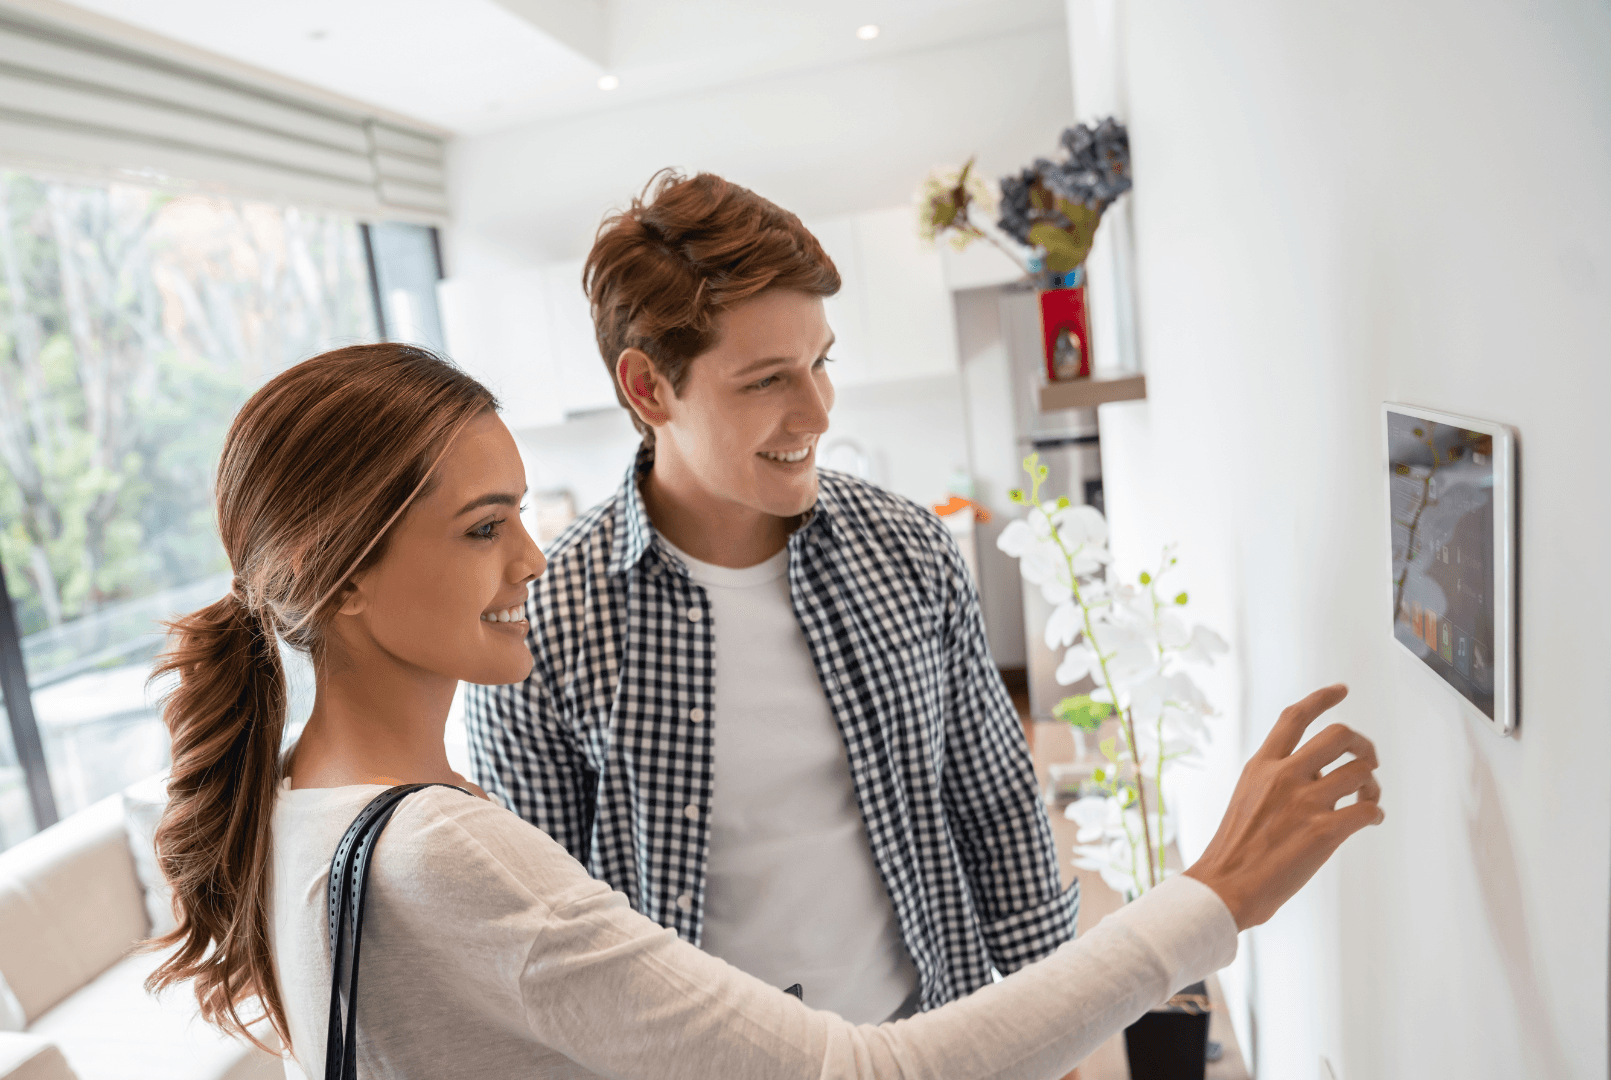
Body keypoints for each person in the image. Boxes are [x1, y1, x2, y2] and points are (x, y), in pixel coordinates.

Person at [147, 342, 1384, 1080]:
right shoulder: (445, 854)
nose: (530, 561)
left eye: (520, 511)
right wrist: (1211, 896)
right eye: (482, 528)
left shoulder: (303, 811)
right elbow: (869, 1072)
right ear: (343, 574)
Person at [464, 170, 1071, 1022]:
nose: (818, 411)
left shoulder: (907, 549)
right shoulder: (545, 621)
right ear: (647, 388)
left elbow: (993, 798)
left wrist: (1062, 1020)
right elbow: (546, 933)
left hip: (925, 1035)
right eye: (766, 380)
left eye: (820, 363)